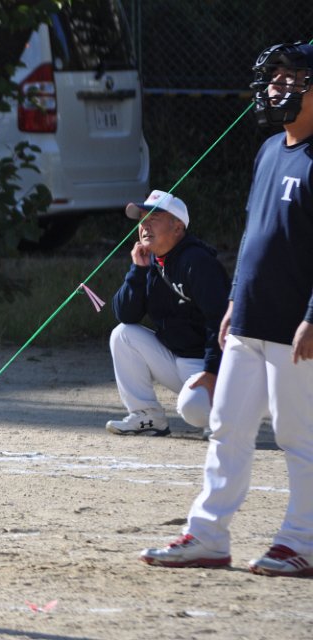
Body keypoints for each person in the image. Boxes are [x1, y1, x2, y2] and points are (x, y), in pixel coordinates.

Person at [140, 42, 313, 576]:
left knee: (298, 436)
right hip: (249, 320)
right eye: (274, 77)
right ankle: (208, 536)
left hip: (295, 327)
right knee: (226, 427)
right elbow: (253, 233)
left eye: (291, 77)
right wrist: (236, 296)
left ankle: (302, 541)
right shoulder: (269, 150)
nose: (277, 87)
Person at [106, 190, 231, 438]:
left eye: (154, 218)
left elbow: (220, 321)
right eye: (142, 219)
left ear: (177, 227)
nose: (144, 225)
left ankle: (224, 416)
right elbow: (126, 314)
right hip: (177, 360)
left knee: (193, 409)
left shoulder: (198, 261)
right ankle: (147, 415)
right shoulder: (151, 262)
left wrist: (211, 371)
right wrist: (137, 271)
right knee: (123, 335)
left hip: (210, 366)